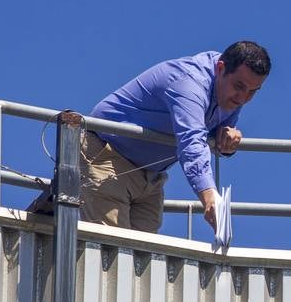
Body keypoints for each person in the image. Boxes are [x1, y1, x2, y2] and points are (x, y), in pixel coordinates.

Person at [81, 41, 271, 233]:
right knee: (109, 255)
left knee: (142, 259)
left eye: (253, 91)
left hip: (151, 178)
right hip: (108, 159)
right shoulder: (189, 83)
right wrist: (209, 195)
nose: (243, 98)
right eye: (239, 86)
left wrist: (228, 136)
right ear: (221, 68)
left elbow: (215, 130)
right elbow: (192, 141)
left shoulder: (229, 90)